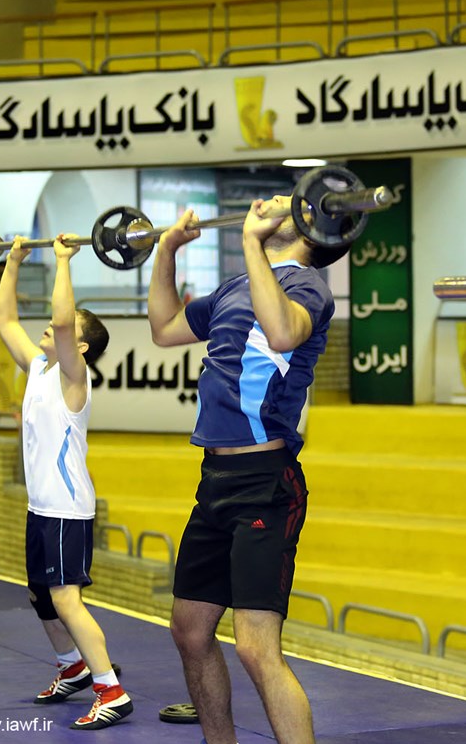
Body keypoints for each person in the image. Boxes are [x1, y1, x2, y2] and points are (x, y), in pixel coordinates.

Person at [148, 194, 342, 744]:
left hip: (266, 483)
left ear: (309, 225)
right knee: (189, 631)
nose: (264, 201)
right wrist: (167, 250)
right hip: (215, 481)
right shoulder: (237, 285)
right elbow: (164, 328)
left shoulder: (308, 287)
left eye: (281, 199)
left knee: (256, 647)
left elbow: (281, 334)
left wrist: (252, 242)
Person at [0, 234, 130, 731]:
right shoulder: (39, 367)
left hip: (65, 510)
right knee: (40, 595)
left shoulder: (75, 377)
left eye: (61, 328)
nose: (50, 328)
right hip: (41, 506)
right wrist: (13, 261)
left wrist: (63, 261)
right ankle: (72, 666)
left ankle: (111, 690)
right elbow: (5, 320)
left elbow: (65, 320)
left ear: (80, 347)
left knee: (66, 599)